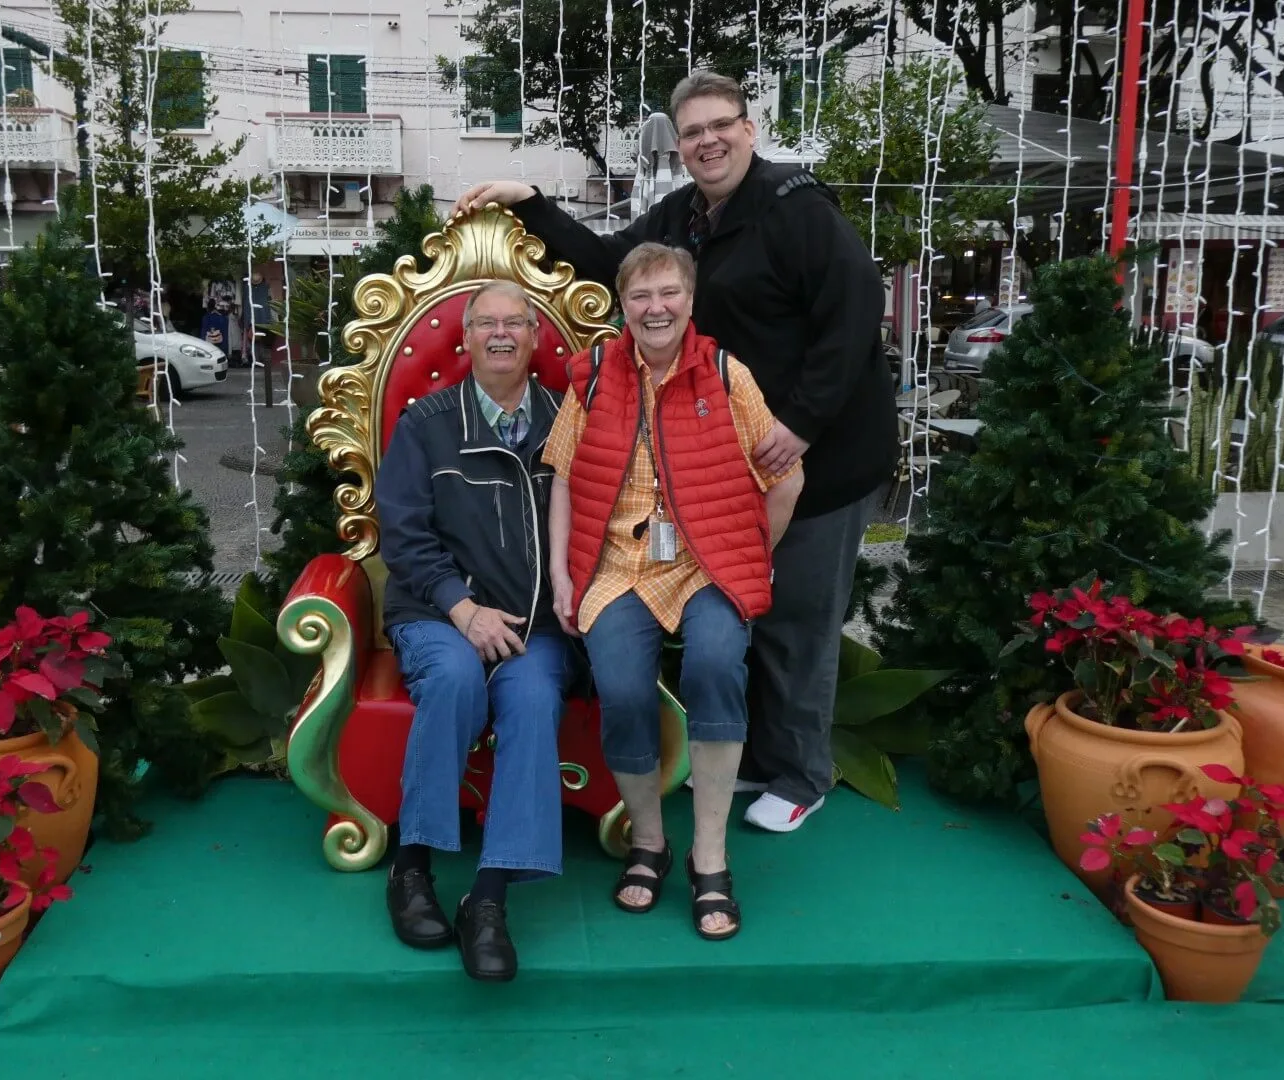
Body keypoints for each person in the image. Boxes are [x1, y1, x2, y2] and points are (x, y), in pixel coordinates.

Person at [455, 69, 894, 833]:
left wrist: (802, 422)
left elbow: (855, 313)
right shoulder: (684, 217)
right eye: (692, 132)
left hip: (824, 453)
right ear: (679, 146)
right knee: (749, 608)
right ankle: (754, 756)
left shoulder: (799, 210)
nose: (708, 141)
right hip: (741, 459)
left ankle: (802, 774)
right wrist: (530, 202)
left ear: (749, 130)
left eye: (721, 125)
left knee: (799, 617)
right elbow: (607, 263)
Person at [544, 243, 803, 940]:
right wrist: (564, 574)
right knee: (624, 689)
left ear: (690, 301)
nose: (654, 308)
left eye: (668, 294)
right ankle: (650, 840)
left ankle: (710, 853)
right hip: (617, 563)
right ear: (623, 305)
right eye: (640, 296)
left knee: (717, 664)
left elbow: (787, 479)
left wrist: (752, 558)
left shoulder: (726, 374)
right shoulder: (595, 373)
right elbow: (564, 475)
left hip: (705, 562)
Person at [374, 279, 578, 983]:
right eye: (485, 323)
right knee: (457, 676)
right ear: (464, 340)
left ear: (534, 338)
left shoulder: (567, 422)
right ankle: (412, 865)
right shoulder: (425, 423)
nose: (499, 334)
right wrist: (462, 609)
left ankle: (486, 900)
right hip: (437, 614)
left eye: (513, 323)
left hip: (536, 624)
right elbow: (400, 534)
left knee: (529, 699)